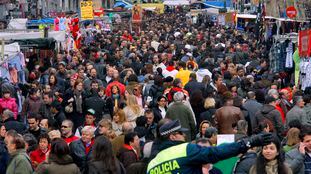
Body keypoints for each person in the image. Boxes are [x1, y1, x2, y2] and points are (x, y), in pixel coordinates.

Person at [146, 119, 273, 174]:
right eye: (181, 133)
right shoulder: (184, 149)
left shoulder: (152, 164)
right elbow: (215, 153)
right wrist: (247, 143)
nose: (184, 136)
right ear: (172, 137)